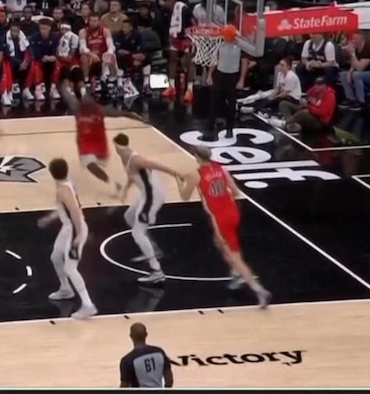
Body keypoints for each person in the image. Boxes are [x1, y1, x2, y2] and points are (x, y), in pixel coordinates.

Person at [179, 146, 271, 307]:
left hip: (219, 218)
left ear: (197, 157)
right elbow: (235, 192)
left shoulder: (196, 174)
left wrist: (179, 182)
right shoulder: (221, 168)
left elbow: (184, 197)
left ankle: (258, 289)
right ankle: (236, 273)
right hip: (232, 211)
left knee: (234, 256)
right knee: (219, 243)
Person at [115, 133, 182, 284]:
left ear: (118, 146)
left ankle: (157, 271)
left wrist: (174, 173)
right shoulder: (125, 157)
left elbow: (154, 165)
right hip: (146, 193)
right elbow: (132, 174)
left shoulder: (136, 160)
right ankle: (153, 249)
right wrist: (126, 188)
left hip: (152, 195)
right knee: (129, 216)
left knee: (137, 233)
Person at [37, 158, 98, 320]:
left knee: (71, 268)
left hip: (74, 229)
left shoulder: (63, 191)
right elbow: (67, 208)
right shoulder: (67, 185)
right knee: (56, 257)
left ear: (51, 173)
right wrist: (49, 218)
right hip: (68, 228)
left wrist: (78, 235)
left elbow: (75, 212)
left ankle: (88, 305)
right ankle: (66, 289)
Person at [61, 80, 144, 195]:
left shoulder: (100, 110)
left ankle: (119, 179)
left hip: (99, 143)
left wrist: (132, 115)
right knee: (90, 165)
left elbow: (119, 113)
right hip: (84, 143)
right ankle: (112, 183)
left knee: (97, 163)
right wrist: (64, 85)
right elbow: (67, 95)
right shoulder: (76, 108)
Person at [119, 322, 173, 394]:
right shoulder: (159, 352)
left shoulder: (128, 360)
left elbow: (124, 387)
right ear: (146, 334)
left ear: (131, 336)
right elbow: (169, 380)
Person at [206, 25, 242, 141]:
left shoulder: (240, 46)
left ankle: (229, 129)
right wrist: (209, 75)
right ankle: (210, 127)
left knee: (231, 105)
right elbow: (214, 60)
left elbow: (244, 62)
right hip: (220, 75)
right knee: (213, 102)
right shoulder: (220, 45)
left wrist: (241, 79)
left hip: (233, 76)